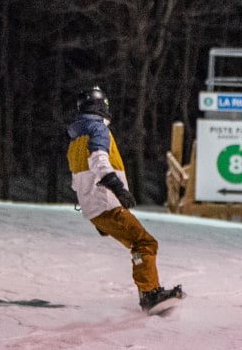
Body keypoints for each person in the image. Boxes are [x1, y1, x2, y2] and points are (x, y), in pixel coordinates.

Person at [66, 85, 182, 313]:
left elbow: (75, 178)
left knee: (138, 245)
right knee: (145, 243)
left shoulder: (75, 138)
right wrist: (118, 189)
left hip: (94, 207)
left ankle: (147, 291)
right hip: (105, 203)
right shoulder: (97, 129)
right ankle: (150, 294)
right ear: (101, 107)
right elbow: (99, 160)